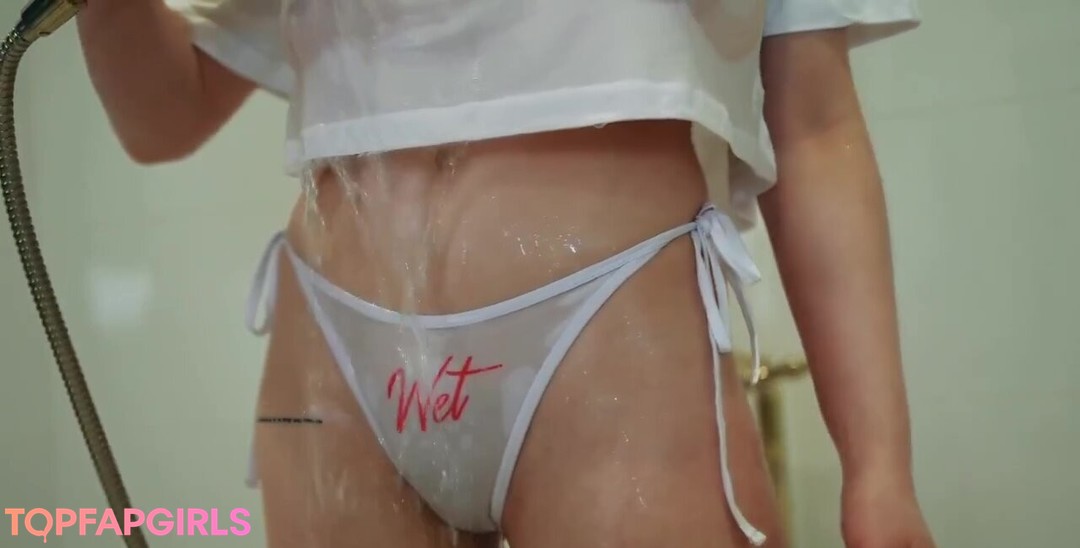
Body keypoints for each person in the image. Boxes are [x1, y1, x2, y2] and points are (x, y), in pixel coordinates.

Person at [78, 1, 936, 546]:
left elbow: (814, 123)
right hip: (334, 352)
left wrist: (879, 472)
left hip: (604, 329)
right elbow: (164, 119)